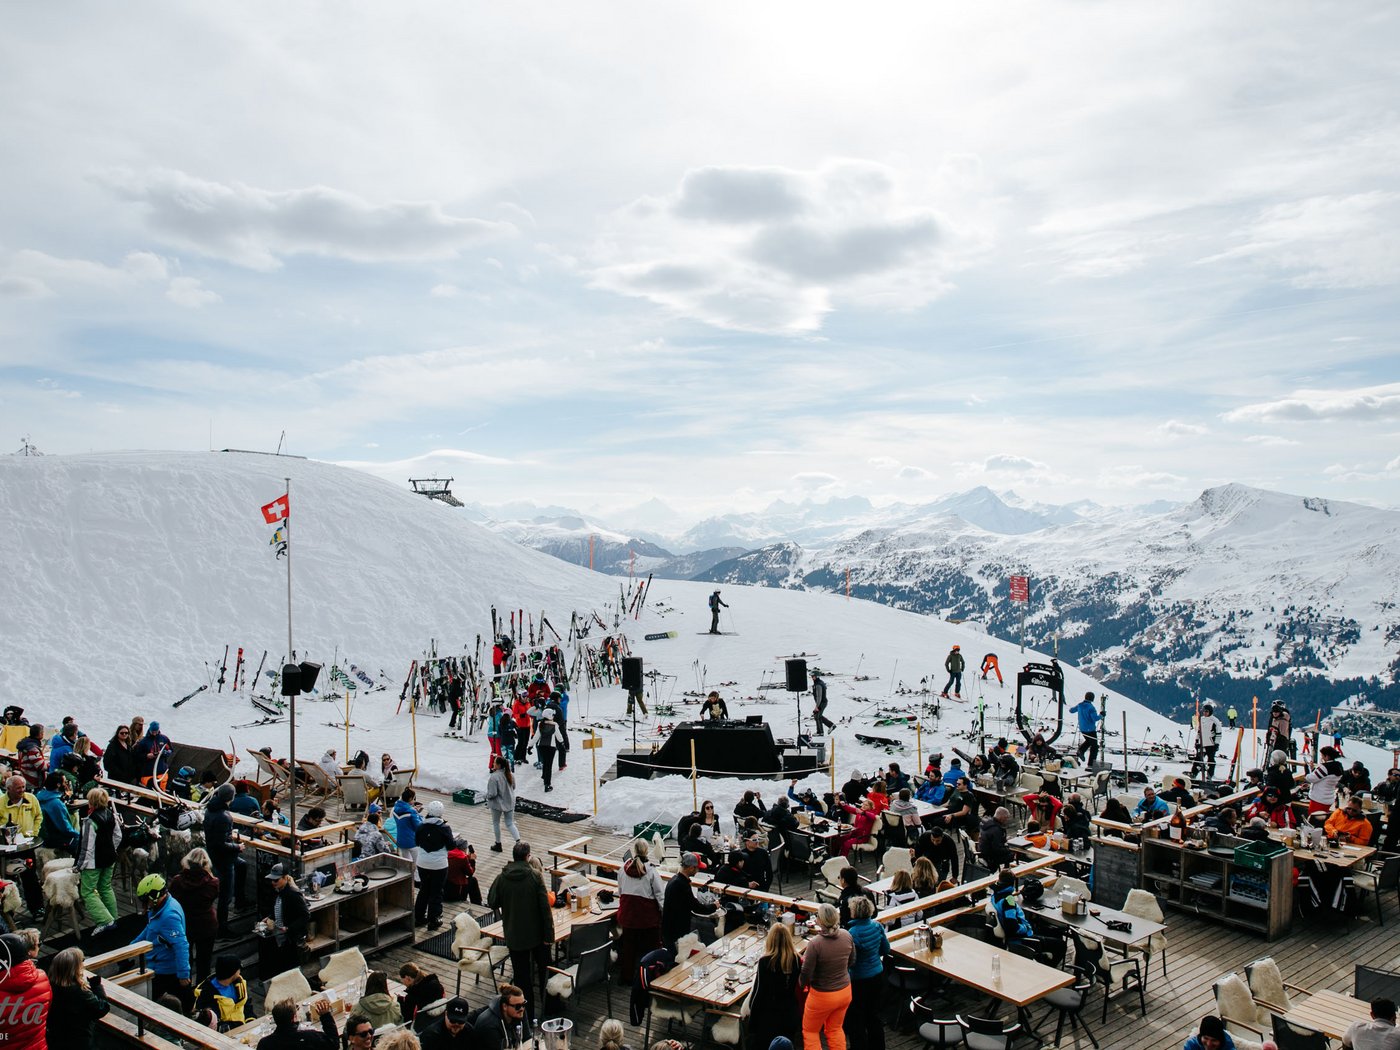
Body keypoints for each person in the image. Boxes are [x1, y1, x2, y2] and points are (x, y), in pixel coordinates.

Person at [487, 841, 553, 1019]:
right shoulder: (535, 876)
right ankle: (549, 1008)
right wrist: (549, 935)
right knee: (546, 971)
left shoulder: (502, 878)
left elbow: (492, 901)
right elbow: (545, 908)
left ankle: (526, 1015)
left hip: (514, 936)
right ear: (527, 856)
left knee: (522, 978)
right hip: (538, 935)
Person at [132, 873, 193, 1012]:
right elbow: (150, 929)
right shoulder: (158, 908)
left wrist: (183, 974)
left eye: (146, 900)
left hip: (167, 971)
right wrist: (133, 946)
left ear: (155, 896)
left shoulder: (169, 916)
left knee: (169, 1006)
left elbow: (181, 945)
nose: (144, 904)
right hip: (159, 965)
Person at [800, 903, 855, 1050]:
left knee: (811, 1031)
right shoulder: (846, 935)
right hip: (844, 991)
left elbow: (806, 972)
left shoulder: (815, 944)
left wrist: (801, 984)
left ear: (821, 920)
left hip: (822, 995)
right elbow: (852, 960)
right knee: (835, 1029)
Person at [746, 923, 801, 1050]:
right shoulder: (796, 959)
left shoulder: (766, 962)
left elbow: (758, 993)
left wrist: (752, 1023)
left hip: (769, 1015)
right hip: (790, 1012)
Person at [843, 895, 889, 1050]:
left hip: (859, 980)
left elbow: (851, 961)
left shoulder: (852, 933)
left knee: (857, 1019)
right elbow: (886, 949)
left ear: (855, 912)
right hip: (877, 976)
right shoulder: (877, 926)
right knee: (874, 1015)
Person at [616, 838, 665, 978]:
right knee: (651, 949)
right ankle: (649, 976)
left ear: (634, 850)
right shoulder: (651, 872)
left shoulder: (623, 869)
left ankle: (626, 977)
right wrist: (664, 913)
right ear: (647, 851)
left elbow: (620, 891)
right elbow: (660, 896)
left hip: (628, 916)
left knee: (628, 948)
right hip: (646, 918)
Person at [170, 847, 220, 982]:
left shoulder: (177, 881)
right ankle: (201, 988)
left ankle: (185, 986)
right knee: (205, 961)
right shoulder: (213, 883)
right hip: (206, 924)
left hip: (185, 924)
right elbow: (213, 897)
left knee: (185, 958)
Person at [203, 782, 246, 935]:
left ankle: (240, 900)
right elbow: (221, 844)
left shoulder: (210, 810)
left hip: (213, 853)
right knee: (225, 895)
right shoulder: (224, 817)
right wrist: (238, 847)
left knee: (242, 865)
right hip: (224, 858)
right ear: (231, 797)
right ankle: (222, 928)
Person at [46, 946, 110, 1047]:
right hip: (79, 1041)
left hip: (56, 1038)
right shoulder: (79, 992)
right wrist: (97, 986)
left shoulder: (49, 986)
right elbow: (102, 1008)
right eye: (82, 961)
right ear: (75, 968)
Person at [661, 852, 718, 950]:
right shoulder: (682, 884)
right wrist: (714, 906)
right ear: (691, 868)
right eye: (697, 868)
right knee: (677, 955)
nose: (698, 870)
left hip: (669, 928)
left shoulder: (675, 879)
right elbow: (696, 908)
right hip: (676, 930)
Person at [264, 863, 310, 978]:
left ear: (285, 878)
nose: (273, 882)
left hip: (292, 940)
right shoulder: (278, 891)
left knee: (292, 972)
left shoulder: (293, 894)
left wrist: (289, 928)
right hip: (281, 938)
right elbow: (280, 909)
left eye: (276, 880)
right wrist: (270, 917)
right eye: (272, 880)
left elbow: (305, 915)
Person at [414, 800, 453, 929]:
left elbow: (417, 842)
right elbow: (451, 846)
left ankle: (418, 917)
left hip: (422, 863)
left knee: (424, 889)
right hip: (439, 865)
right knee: (436, 891)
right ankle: (434, 919)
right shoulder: (444, 828)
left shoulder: (421, 826)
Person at [194, 953, 250, 1031]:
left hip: (244, 1027)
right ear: (233, 973)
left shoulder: (239, 983)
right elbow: (210, 1022)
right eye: (239, 968)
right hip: (226, 1033)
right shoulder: (206, 995)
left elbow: (246, 1003)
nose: (240, 971)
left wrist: (251, 1020)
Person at [257, 997, 338, 1050]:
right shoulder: (310, 1037)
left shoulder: (264, 1044)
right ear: (294, 1018)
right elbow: (334, 1044)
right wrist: (326, 1016)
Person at [473, 983, 532, 1050]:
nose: (522, 1009)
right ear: (505, 1006)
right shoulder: (489, 1025)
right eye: (517, 1006)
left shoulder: (519, 1011)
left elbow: (527, 1038)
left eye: (524, 1004)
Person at [485, 754, 520, 852]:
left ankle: (498, 844)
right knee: (510, 823)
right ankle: (518, 842)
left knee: (496, 823)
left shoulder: (494, 777)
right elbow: (513, 787)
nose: (493, 764)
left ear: (499, 765)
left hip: (497, 804)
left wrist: (486, 796)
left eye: (494, 762)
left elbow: (493, 793)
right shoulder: (510, 774)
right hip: (510, 802)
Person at [36, 771, 78, 853]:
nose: (66, 784)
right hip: (54, 840)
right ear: (58, 785)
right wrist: (79, 835)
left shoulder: (38, 796)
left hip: (41, 838)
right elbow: (66, 828)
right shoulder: (56, 803)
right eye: (64, 782)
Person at [397, 962, 445, 1026]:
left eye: (402, 979)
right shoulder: (435, 983)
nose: (402, 982)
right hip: (440, 1017)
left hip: (421, 1024)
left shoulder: (413, 995)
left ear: (407, 978)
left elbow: (407, 1018)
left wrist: (400, 1000)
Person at [1307, 746, 1346, 815]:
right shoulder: (1338, 766)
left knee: (1314, 818)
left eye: (1322, 755)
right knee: (1322, 817)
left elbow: (1310, 778)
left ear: (1327, 756)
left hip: (1318, 799)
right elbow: (1324, 777)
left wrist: (1307, 770)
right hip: (1328, 798)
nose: (1321, 757)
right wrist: (1313, 769)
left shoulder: (1325, 767)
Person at [394, 787, 423, 871]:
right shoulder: (411, 811)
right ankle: (416, 878)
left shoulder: (396, 808)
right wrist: (418, 814)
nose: (414, 801)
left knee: (407, 865)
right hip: (412, 841)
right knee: (417, 864)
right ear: (410, 799)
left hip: (401, 840)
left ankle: (409, 878)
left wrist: (413, 810)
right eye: (413, 799)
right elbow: (418, 826)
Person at [530, 709, 559, 792]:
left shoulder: (540, 724)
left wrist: (530, 746)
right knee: (549, 765)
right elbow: (559, 736)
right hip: (551, 747)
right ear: (549, 716)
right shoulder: (554, 725)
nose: (553, 716)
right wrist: (562, 743)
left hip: (541, 746)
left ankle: (544, 776)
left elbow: (536, 736)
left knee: (545, 762)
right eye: (552, 715)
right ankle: (547, 784)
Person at [446, 837, 482, 904]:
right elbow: (470, 873)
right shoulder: (462, 858)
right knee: (473, 880)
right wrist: (472, 861)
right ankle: (477, 903)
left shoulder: (447, 854)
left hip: (444, 891)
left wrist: (467, 857)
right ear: (464, 849)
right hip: (456, 893)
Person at [1069, 692, 1101, 767]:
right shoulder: (1091, 708)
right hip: (1090, 729)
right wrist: (1101, 715)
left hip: (1082, 729)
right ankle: (1091, 764)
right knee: (1094, 747)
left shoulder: (1080, 705)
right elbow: (1095, 718)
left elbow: (1071, 710)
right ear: (1092, 698)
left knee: (1089, 741)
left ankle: (1081, 750)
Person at [1196, 704, 1224, 780]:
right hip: (1202, 743)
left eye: (1206, 711)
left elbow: (1218, 734)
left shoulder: (1215, 721)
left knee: (1210, 760)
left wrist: (1216, 743)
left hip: (1211, 744)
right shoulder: (1201, 719)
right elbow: (1199, 732)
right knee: (1198, 758)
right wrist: (1197, 741)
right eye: (1204, 711)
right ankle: (1194, 773)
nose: (1205, 713)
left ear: (1210, 712)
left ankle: (1210, 774)